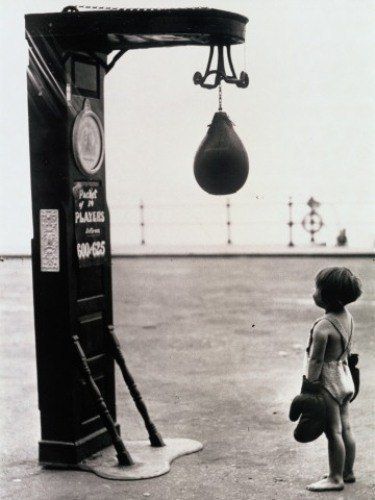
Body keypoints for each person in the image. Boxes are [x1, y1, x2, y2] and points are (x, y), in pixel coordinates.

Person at [303, 267, 362, 492]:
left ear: (328, 297)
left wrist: (310, 386)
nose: (314, 292)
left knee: (333, 431)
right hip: (345, 377)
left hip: (328, 381)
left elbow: (316, 360)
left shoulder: (323, 326)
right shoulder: (348, 318)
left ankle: (335, 478)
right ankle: (347, 471)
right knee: (345, 427)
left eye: (317, 289)